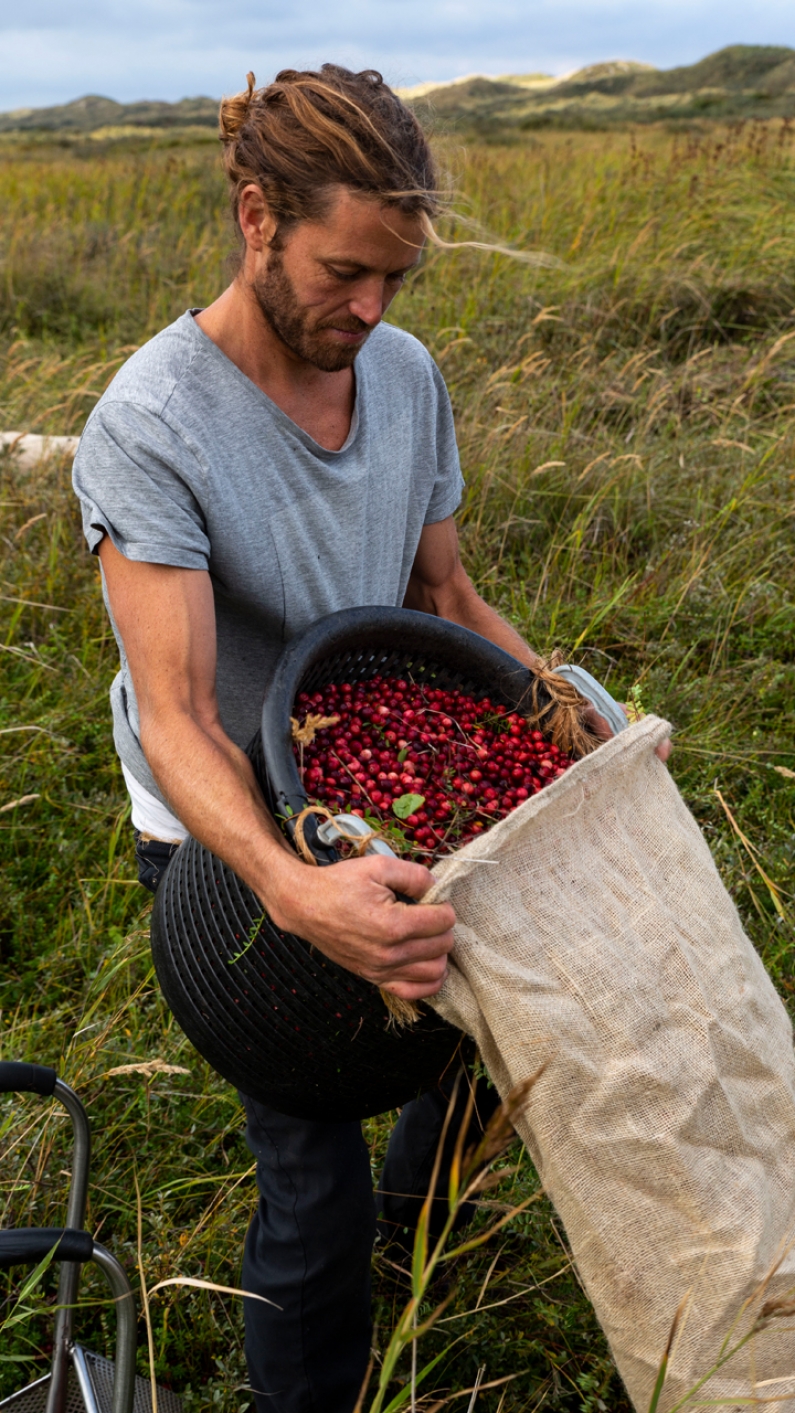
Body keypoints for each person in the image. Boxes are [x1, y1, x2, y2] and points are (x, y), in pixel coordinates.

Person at [73, 65, 665, 1412]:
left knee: (486, 1041)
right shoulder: (152, 425)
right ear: (255, 217)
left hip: (394, 777)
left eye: (397, 277)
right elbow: (171, 715)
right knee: (309, 1170)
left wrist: (580, 725)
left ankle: (421, 1239)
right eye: (346, 269)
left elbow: (444, 597)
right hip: (232, 830)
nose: (372, 308)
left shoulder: (400, 375)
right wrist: (294, 889)